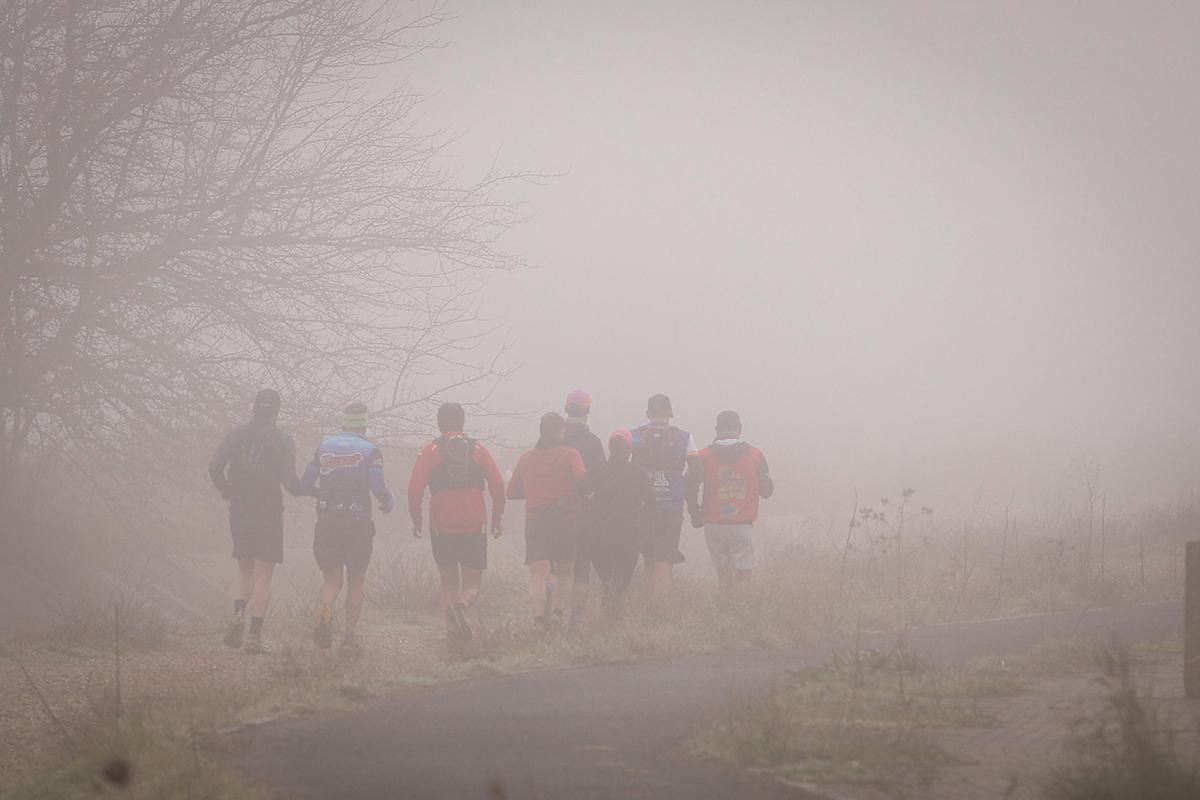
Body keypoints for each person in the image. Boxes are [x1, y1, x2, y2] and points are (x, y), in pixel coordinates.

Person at [208, 388, 302, 654]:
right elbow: (289, 482)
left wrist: (227, 490)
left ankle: (238, 614)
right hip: (268, 511)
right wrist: (311, 489)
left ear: (253, 407)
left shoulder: (237, 435)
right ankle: (254, 636)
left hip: (239, 509)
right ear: (277, 410)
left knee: (245, 570)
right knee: (264, 574)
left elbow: (214, 466)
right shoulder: (284, 440)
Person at [298, 403, 394, 656]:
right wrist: (387, 500)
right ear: (364, 424)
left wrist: (321, 493)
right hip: (358, 522)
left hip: (327, 520)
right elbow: (376, 484)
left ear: (343, 423)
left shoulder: (324, 447)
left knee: (332, 579)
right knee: (356, 579)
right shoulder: (371, 451)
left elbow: (304, 483)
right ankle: (349, 638)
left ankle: (325, 608)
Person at [407, 402, 506, 643]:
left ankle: (453, 635)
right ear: (462, 422)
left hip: (441, 524)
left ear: (440, 424)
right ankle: (463, 606)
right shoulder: (479, 450)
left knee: (448, 583)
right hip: (474, 523)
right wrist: (496, 518)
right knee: (471, 584)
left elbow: (414, 490)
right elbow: (498, 485)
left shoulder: (429, 451)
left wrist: (417, 520)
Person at [507, 412, 586, 629]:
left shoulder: (526, 458)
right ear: (561, 431)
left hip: (536, 519)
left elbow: (511, 492)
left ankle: (538, 618)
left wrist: (534, 491)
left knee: (539, 572)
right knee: (565, 570)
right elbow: (583, 481)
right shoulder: (571, 454)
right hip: (564, 518)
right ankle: (559, 614)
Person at [630, 394, 702, 610]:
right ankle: (661, 610)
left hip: (641, 506)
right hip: (671, 507)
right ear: (670, 412)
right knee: (665, 558)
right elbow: (698, 469)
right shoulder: (684, 438)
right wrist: (686, 490)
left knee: (649, 558)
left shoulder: (634, 436)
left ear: (647, 414)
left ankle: (645, 607)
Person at [693, 411, 775, 592]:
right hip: (742, 524)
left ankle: (724, 606)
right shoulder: (754, 454)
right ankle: (740, 611)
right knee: (743, 577)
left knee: (723, 576)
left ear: (716, 429)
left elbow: (690, 484)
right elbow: (767, 491)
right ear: (740, 428)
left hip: (713, 523)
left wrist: (695, 512)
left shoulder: (704, 455)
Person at [579, 429, 654, 622]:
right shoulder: (638, 473)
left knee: (609, 582)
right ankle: (613, 619)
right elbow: (652, 503)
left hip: (599, 538)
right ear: (629, 449)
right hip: (628, 538)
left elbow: (579, 490)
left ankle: (610, 618)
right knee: (620, 582)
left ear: (610, 448)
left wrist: (589, 502)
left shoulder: (597, 470)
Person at [561, 390, 605, 626]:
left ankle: (552, 613)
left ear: (566, 408)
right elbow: (602, 480)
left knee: (554, 566)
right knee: (581, 566)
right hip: (584, 512)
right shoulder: (593, 442)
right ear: (588, 411)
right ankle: (576, 618)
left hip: (554, 512)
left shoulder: (554, 438)